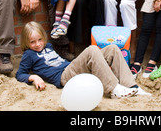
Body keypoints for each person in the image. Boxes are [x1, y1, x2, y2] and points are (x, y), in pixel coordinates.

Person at [16, 21, 150, 98]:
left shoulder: (49, 46)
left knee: (113, 48)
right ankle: (114, 89)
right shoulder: (29, 55)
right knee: (92, 50)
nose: (38, 44)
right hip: (63, 77)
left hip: (70, 68)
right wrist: (33, 78)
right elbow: (20, 74)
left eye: (40, 40)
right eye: (33, 42)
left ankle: (133, 87)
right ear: (26, 42)